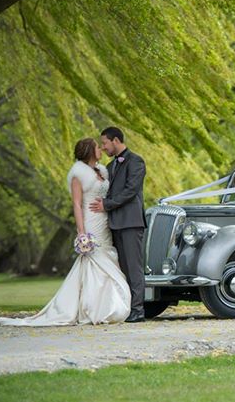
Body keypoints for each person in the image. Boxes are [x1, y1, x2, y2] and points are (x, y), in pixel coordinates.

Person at [0, 139, 131, 326]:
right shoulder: (78, 174)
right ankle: (93, 307)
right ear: (90, 151)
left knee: (106, 257)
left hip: (104, 220)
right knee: (94, 260)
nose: (101, 149)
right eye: (98, 147)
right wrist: (81, 231)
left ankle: (107, 304)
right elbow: (76, 203)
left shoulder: (101, 172)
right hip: (90, 220)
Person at [89, 127, 147, 323]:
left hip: (131, 222)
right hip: (114, 223)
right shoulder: (111, 166)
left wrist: (106, 205)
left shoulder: (136, 161)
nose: (103, 147)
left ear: (115, 140)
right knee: (122, 268)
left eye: (104, 143)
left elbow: (131, 191)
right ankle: (126, 307)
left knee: (134, 267)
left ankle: (138, 310)